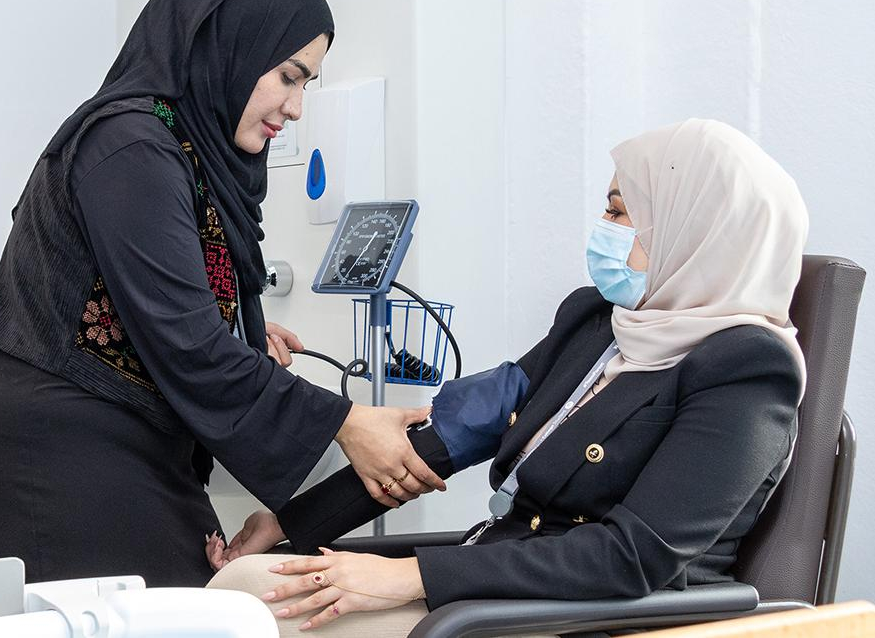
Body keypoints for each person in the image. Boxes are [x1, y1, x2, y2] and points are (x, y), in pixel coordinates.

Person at [208, 118, 810, 635]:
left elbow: (630, 559)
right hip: (500, 590)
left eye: (620, 212)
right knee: (243, 586)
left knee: (249, 616)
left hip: (604, 617)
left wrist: (406, 577)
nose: (603, 227)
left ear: (692, 231)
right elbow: (450, 436)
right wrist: (287, 526)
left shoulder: (747, 370)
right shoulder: (599, 322)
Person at [0, 0, 442, 588]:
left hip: (134, 446)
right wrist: (346, 423)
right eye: (289, 78)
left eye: (307, 86)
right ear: (229, 48)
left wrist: (242, 333)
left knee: (206, 602)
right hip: (63, 455)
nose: (296, 109)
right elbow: (184, 342)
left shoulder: (188, 153)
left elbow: (165, 308)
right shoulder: (131, 147)